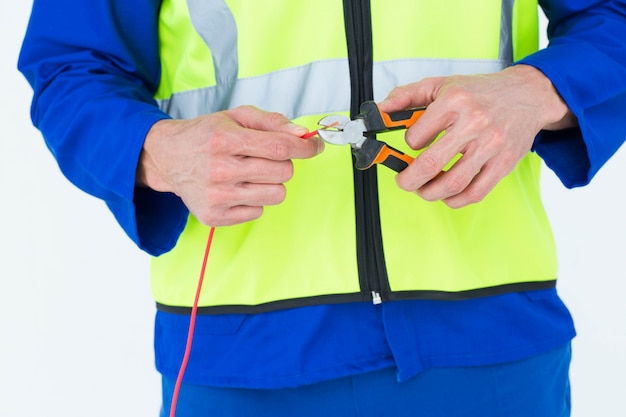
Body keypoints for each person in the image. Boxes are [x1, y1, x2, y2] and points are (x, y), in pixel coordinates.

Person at [18, 1, 626, 416]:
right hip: (241, 353)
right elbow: (70, 64)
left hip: (493, 344)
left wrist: (537, 91)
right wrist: (160, 150)